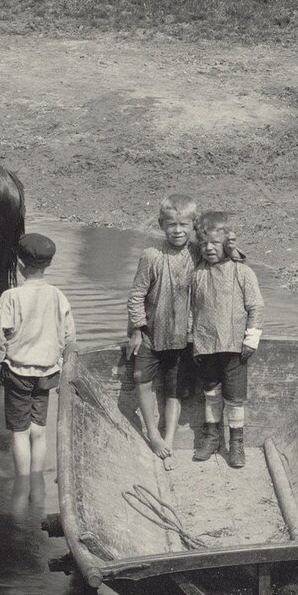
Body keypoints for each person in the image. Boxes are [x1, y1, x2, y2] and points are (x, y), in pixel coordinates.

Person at [0, 232, 77, 489]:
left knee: (19, 432)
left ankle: (22, 483)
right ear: (48, 264)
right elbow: (70, 335)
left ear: (19, 264)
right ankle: (38, 483)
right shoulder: (58, 296)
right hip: (48, 372)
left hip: (18, 372)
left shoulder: (11, 297)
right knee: (38, 429)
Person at [185, 211, 263, 470]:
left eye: (215, 244)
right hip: (206, 345)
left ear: (227, 244)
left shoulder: (242, 272)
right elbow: (192, 309)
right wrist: (192, 339)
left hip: (235, 347)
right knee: (211, 394)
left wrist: (251, 339)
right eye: (204, 243)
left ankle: (236, 443)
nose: (208, 249)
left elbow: (255, 307)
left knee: (235, 398)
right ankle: (211, 438)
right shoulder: (198, 274)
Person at [122, 196, 197, 462]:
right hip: (151, 334)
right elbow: (136, 296)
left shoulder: (197, 254)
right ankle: (153, 434)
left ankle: (169, 437)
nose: (177, 230)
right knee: (142, 381)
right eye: (171, 225)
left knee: (174, 389)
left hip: (181, 336)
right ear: (160, 225)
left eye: (184, 225)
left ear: (193, 225)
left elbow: (225, 250)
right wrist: (136, 330)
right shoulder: (152, 256)